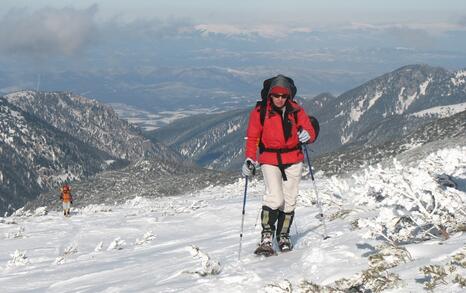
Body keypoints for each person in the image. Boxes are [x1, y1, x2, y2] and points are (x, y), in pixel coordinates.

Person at [242, 74, 318, 256]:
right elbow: (252, 138)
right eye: (276, 95)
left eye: (284, 96)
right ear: (269, 95)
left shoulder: (296, 111)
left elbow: (309, 130)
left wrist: (309, 135)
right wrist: (250, 159)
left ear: (289, 96)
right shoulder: (260, 112)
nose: (280, 99)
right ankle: (267, 237)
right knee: (275, 198)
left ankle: (283, 235)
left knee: (290, 201)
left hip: (293, 158)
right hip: (269, 158)